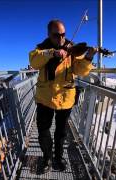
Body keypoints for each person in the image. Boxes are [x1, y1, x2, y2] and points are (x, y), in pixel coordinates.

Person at [29, 19, 97, 173]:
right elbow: (34, 61)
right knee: (43, 131)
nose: (61, 38)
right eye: (56, 35)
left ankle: (58, 158)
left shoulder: (72, 49)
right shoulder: (41, 48)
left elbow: (80, 71)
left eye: (63, 35)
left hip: (65, 98)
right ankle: (46, 158)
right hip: (45, 98)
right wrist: (52, 53)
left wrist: (89, 58)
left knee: (61, 132)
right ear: (48, 34)